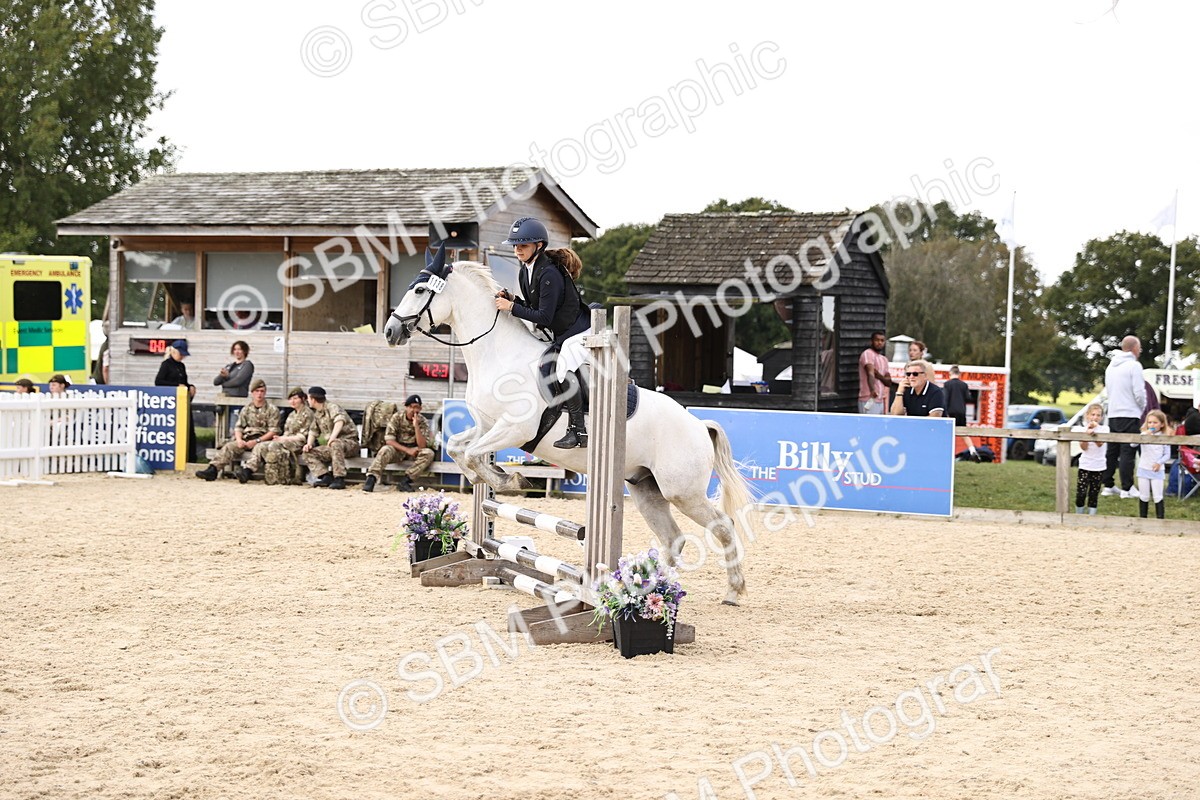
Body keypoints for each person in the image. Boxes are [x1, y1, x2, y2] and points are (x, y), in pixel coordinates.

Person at [493, 216, 591, 449]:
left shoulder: (549, 273)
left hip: (578, 331)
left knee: (563, 369)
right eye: (515, 245)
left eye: (523, 245)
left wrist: (512, 308)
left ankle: (578, 431)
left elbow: (544, 317)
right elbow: (535, 306)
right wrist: (515, 300)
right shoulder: (526, 270)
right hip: (562, 334)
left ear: (539, 246)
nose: (518, 249)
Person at [196, 378, 280, 481]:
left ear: (265, 392)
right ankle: (212, 470)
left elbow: (273, 431)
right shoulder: (246, 409)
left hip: (262, 440)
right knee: (230, 446)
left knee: (259, 449)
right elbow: (239, 427)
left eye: (262, 391)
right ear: (252, 393)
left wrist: (257, 441)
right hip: (246, 438)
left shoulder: (272, 410)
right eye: (257, 391)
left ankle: (247, 472)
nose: (259, 394)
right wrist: (239, 440)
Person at [1101, 335, 1146, 499]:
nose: (1140, 351)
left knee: (1112, 451)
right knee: (1128, 451)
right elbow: (1139, 392)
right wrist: (1141, 408)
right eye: (1139, 348)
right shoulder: (1134, 366)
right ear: (1134, 348)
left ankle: (1108, 485)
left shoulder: (1110, 367)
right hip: (1130, 413)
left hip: (1113, 414)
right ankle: (1127, 488)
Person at [240, 386, 314, 484]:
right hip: (287, 441)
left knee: (273, 445)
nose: (293, 401)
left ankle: (280, 475)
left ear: (302, 399)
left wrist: (284, 439)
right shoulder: (292, 415)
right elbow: (287, 432)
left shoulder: (308, 413)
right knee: (260, 445)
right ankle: (247, 470)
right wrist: (280, 438)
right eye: (290, 399)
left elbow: (303, 436)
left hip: (300, 444)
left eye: (295, 398)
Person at [363, 394, 435, 493]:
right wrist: (407, 450)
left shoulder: (422, 421)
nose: (414, 410)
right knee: (385, 449)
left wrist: (416, 426)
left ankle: (406, 480)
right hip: (398, 449)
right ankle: (371, 479)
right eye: (412, 407)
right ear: (406, 407)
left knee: (428, 453)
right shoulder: (397, 417)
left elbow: (422, 445)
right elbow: (389, 440)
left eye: (417, 407)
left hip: (414, 451)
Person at [302, 386, 359, 490]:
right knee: (307, 452)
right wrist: (309, 444)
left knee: (335, 443)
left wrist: (332, 438)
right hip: (333, 447)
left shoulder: (332, 407)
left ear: (313, 399)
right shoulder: (318, 413)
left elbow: (339, 420)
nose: (307, 400)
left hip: (350, 444)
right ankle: (325, 476)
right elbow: (313, 430)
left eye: (308, 398)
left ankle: (339, 478)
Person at [154, 340, 199, 462]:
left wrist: (190, 387)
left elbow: (184, 382)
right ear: (174, 351)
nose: (182, 356)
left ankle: (190, 457)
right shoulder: (166, 365)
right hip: (171, 401)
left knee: (189, 429)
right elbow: (159, 382)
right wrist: (176, 386)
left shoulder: (181, 366)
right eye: (181, 353)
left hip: (183, 401)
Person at [1073, 403, 1109, 515]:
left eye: (1098, 415)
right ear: (1087, 415)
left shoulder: (1104, 429)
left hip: (1099, 466)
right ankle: (1079, 515)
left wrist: (1093, 434)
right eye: (1093, 414)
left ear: (1101, 417)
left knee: (1094, 493)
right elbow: (1084, 447)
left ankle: (1091, 516)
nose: (1095, 417)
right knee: (1081, 493)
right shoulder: (1083, 429)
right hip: (1085, 465)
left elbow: (1100, 444)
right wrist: (1086, 434)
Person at [1135, 409, 1170, 519]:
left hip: (1157, 471)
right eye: (1150, 422)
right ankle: (1143, 519)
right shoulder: (1144, 434)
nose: (1152, 425)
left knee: (1157, 496)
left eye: (1155, 422)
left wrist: (1159, 463)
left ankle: (1160, 520)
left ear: (1162, 424)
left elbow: (1167, 454)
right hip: (1143, 469)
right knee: (1144, 496)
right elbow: (1132, 444)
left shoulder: (1164, 437)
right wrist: (1144, 435)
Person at [942, 365, 978, 458]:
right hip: (961, 412)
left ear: (950, 373)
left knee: (948, 433)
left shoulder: (947, 384)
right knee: (963, 433)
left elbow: (945, 399)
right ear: (959, 374)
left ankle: (948, 453)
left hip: (950, 412)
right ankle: (972, 450)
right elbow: (968, 398)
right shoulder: (964, 385)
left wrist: (945, 413)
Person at [857, 331, 893, 414]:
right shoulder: (867, 354)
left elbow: (888, 382)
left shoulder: (884, 359)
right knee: (868, 425)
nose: (879, 343)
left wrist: (878, 375)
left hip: (880, 399)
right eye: (877, 340)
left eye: (882, 340)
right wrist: (872, 390)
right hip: (869, 398)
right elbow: (870, 373)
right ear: (871, 341)